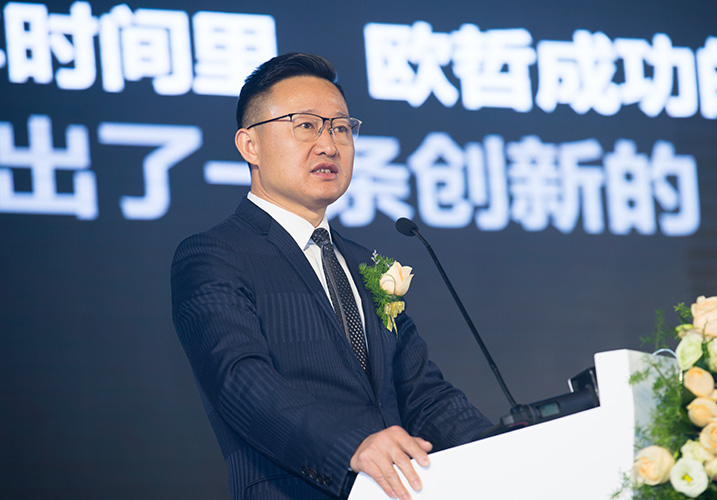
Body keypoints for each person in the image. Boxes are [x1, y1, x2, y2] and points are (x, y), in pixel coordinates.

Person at [171, 52, 492, 500]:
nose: (329, 144)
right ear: (250, 145)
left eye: (341, 128)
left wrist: (506, 447)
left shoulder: (367, 264)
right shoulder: (216, 255)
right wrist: (352, 446)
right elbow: (240, 381)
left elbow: (423, 396)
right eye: (306, 125)